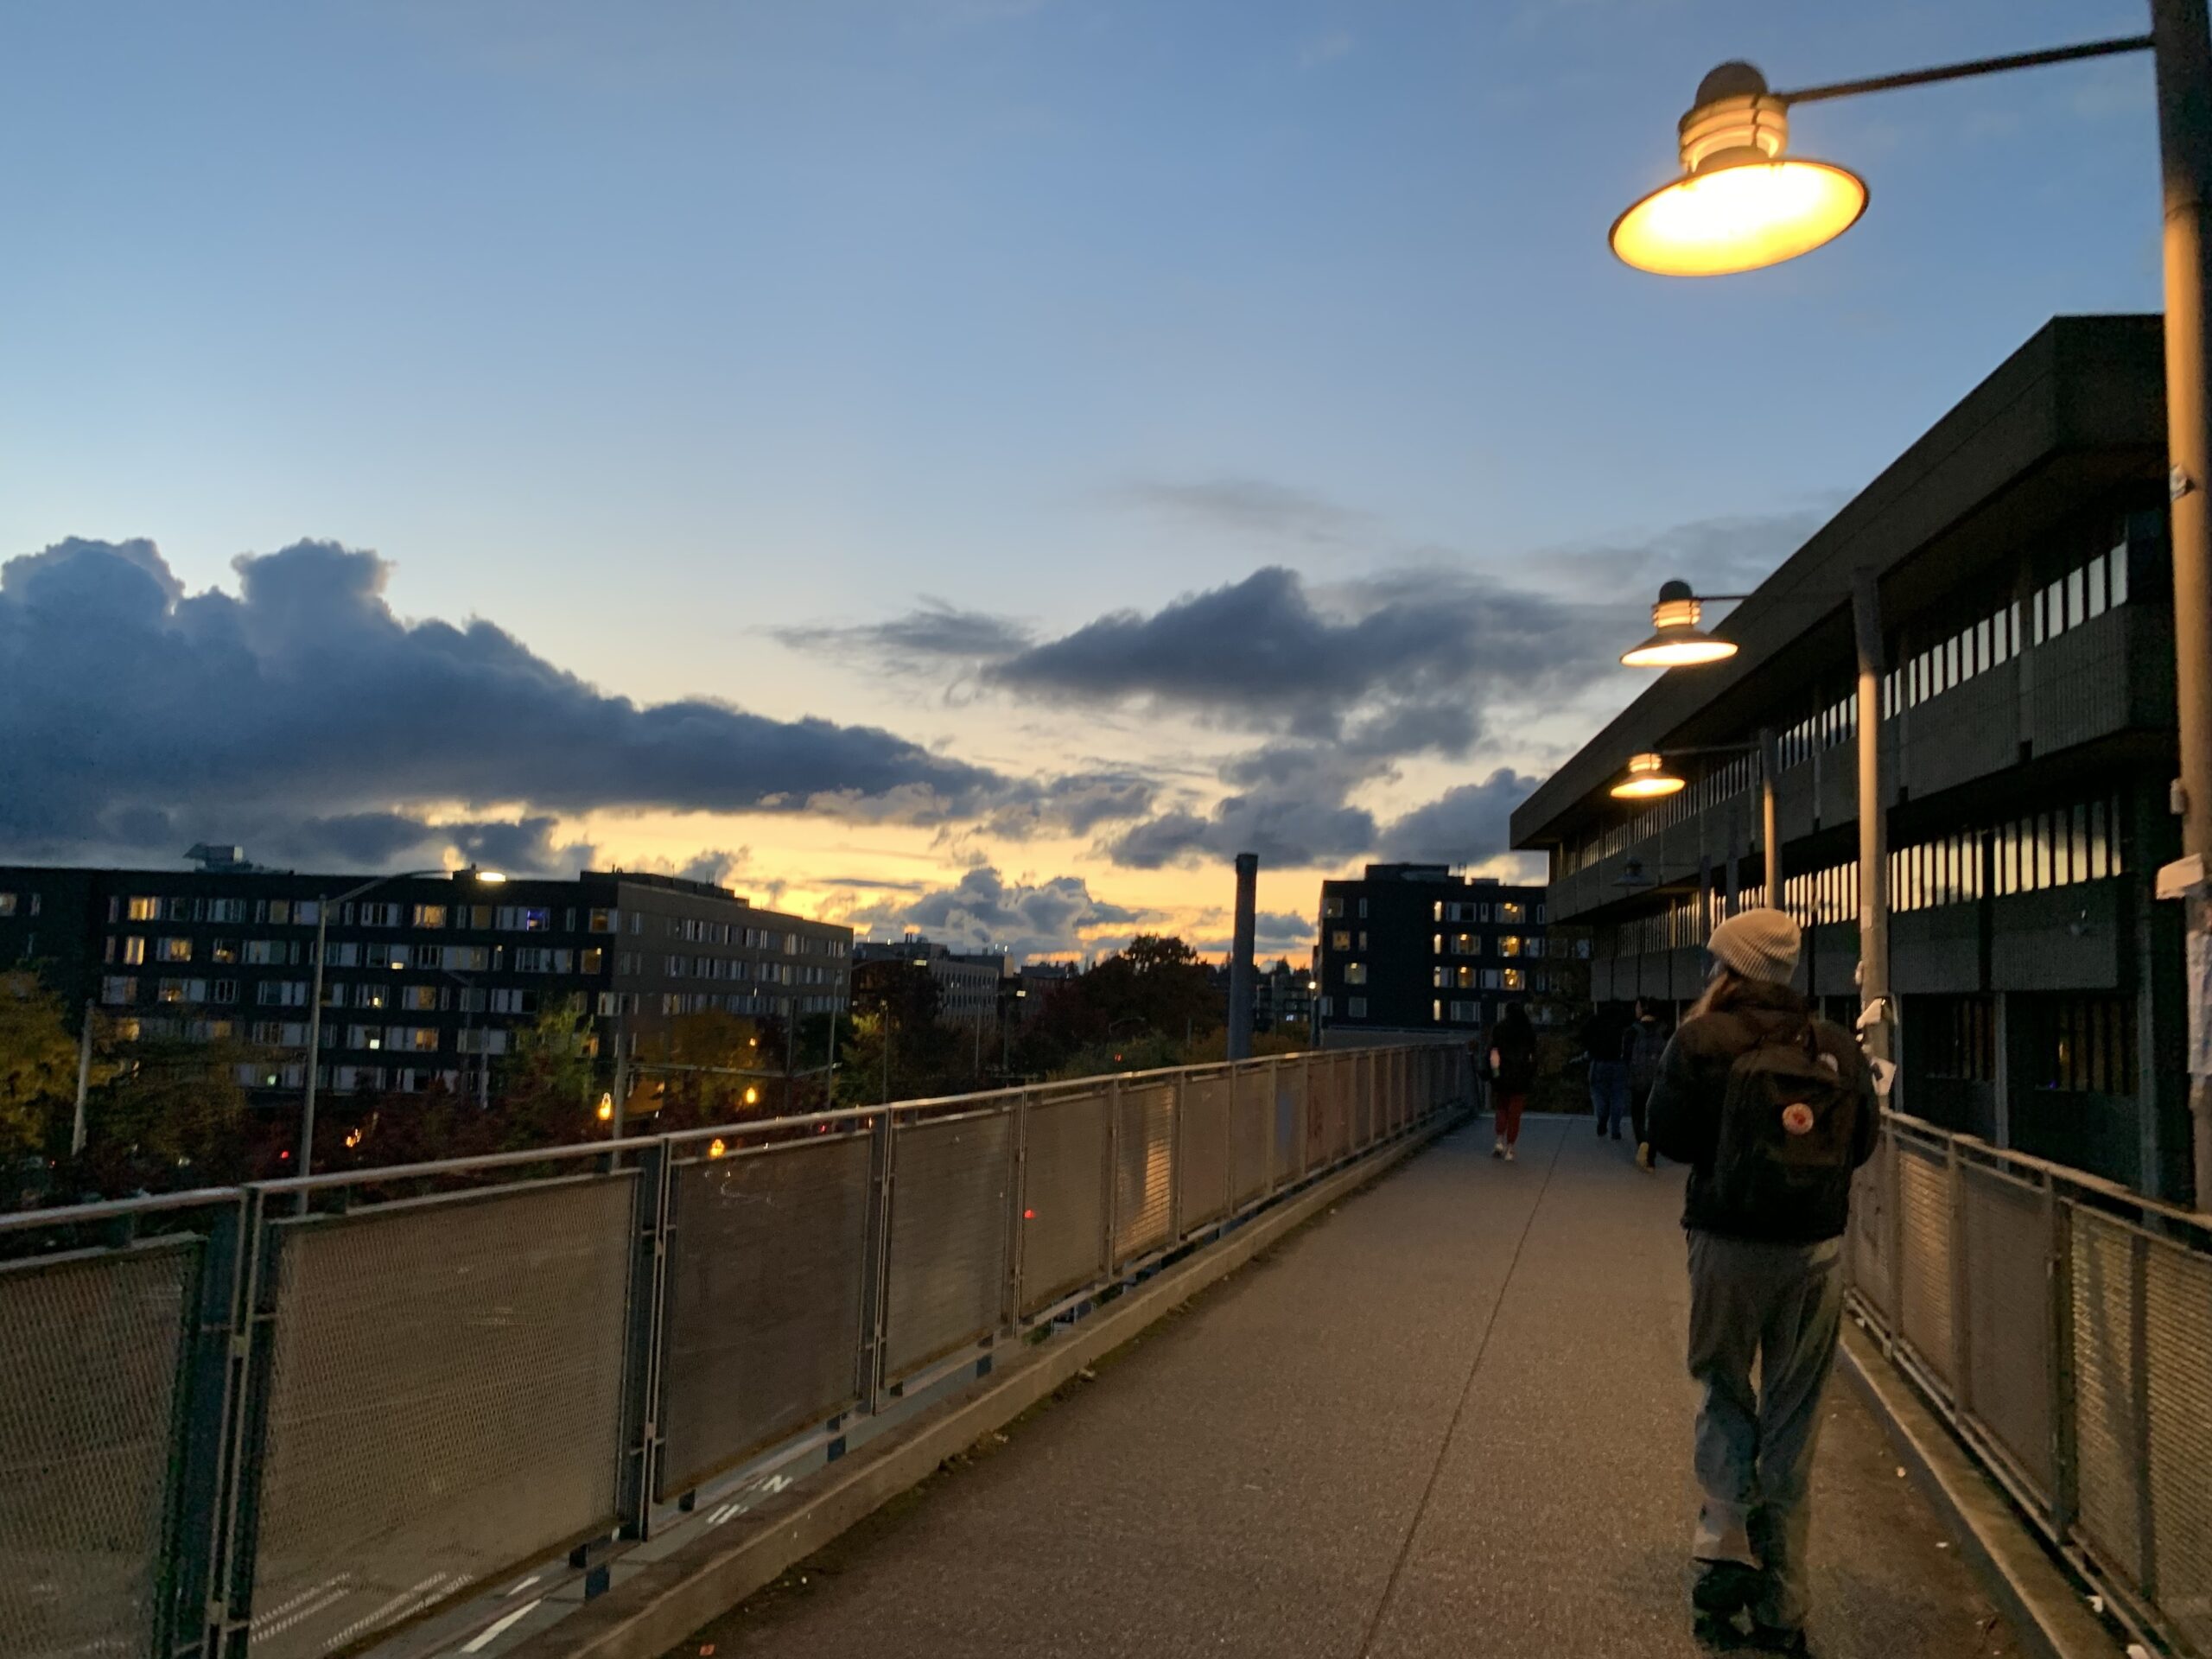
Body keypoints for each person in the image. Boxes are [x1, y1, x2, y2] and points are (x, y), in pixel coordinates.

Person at [1646, 910, 1877, 1655]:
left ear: (1732, 967)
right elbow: (1863, 1144)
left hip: (1725, 1244)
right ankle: (1784, 1605)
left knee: (1723, 1390)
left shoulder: (1701, 1041)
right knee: (1794, 1415)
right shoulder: (1835, 1047)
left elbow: (1671, 1135)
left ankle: (1722, 1547)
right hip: (1814, 1251)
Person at [1487, 1001, 1537, 1161]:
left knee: (1502, 1107)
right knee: (1515, 1112)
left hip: (1502, 1074)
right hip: (1521, 1076)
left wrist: (1495, 1073)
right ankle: (1510, 1148)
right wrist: (1530, 1073)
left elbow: (1494, 1053)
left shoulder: (1499, 1029)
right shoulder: (1528, 1031)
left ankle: (1499, 1140)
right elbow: (1532, 1056)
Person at [1627, 998, 1671, 1171]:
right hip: (1658, 1081)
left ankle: (1642, 1144)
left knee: (1637, 1115)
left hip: (1638, 1080)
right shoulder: (1665, 1030)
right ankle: (1651, 1156)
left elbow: (1627, 1057)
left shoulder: (1632, 1031)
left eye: (1637, 1006)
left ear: (1643, 1009)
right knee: (1653, 1118)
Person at [1581, 1001, 1633, 1140]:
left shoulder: (1596, 1021)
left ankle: (1602, 1118)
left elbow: (1583, 1035)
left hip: (1599, 1062)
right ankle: (1615, 1129)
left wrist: (1591, 1050)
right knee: (1618, 1096)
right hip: (1619, 1063)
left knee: (1599, 1094)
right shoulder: (1624, 1023)